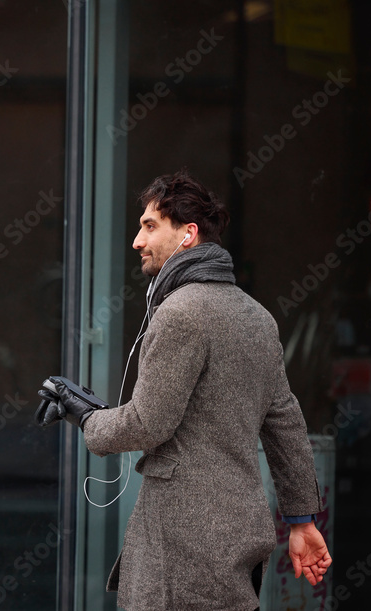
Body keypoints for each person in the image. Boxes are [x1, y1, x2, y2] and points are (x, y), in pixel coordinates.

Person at [42, 172, 331, 610]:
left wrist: (85, 417)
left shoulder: (180, 312)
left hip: (181, 547)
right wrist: (302, 520)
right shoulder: (257, 316)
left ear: (188, 234)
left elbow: (146, 423)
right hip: (240, 535)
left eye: (150, 226)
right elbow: (285, 424)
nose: (137, 241)